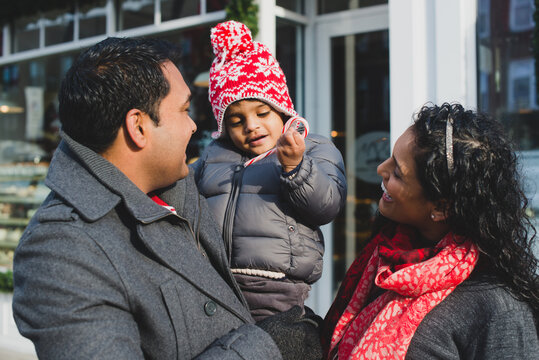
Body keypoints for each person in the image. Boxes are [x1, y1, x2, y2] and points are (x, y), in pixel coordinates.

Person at [12, 37, 323, 360]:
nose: (193, 126)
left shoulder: (180, 186)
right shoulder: (61, 252)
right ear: (138, 127)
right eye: (184, 109)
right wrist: (267, 345)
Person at [321, 103, 539, 359]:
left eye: (398, 173)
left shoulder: (497, 307)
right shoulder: (386, 263)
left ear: (441, 207)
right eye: (390, 157)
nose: (382, 169)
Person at [191, 21, 347, 321]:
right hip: (216, 284)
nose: (251, 126)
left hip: (278, 290)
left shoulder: (310, 148)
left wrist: (296, 169)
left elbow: (327, 206)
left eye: (262, 113)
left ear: (282, 109)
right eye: (236, 121)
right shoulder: (214, 157)